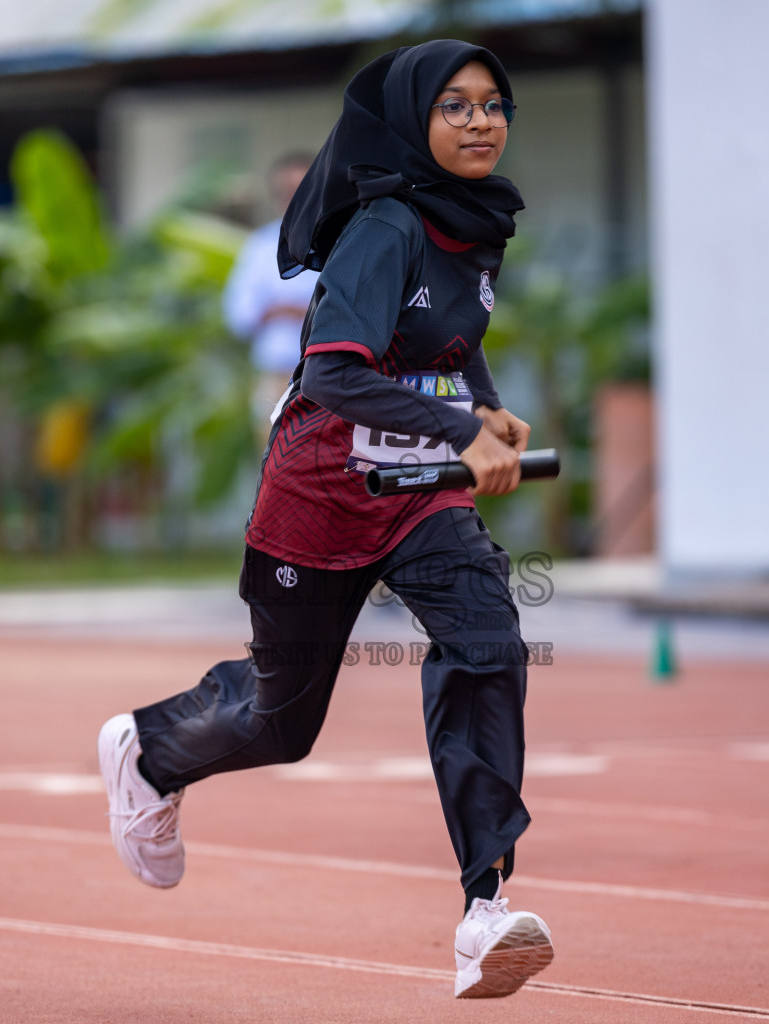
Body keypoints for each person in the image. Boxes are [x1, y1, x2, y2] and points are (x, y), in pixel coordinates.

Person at [97, 40, 553, 998]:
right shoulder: (383, 228)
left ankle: (485, 911)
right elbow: (335, 373)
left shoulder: (475, 222)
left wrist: (486, 404)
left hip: (422, 497)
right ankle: (151, 749)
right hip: (318, 495)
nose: (481, 121)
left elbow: (450, 336)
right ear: (412, 121)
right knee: (281, 721)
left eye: (493, 104)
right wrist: (457, 426)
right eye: (456, 106)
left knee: (489, 645)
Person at [222, 153, 321, 424]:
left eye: (301, 190)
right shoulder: (261, 245)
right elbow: (238, 315)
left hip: (329, 377)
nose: (293, 199)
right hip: (275, 378)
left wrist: (291, 309)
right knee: (271, 461)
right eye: (286, 192)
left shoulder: (343, 239)